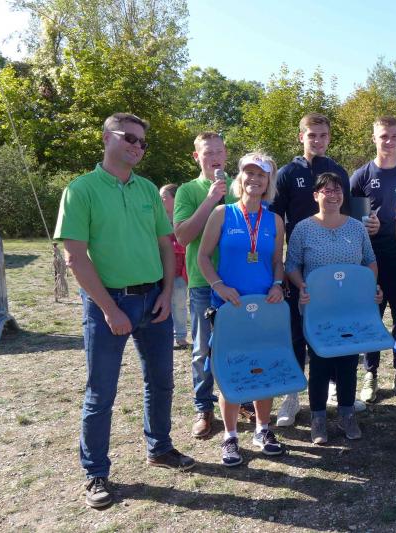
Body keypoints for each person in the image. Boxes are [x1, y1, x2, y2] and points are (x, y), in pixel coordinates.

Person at [55, 113, 195, 509]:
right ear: (106, 138)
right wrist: (108, 308)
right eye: (129, 138)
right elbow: (75, 257)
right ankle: (96, 473)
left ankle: (160, 448)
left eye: (142, 142)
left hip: (153, 299)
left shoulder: (147, 188)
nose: (137, 146)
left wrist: (166, 292)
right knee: (101, 392)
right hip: (108, 303)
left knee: (161, 382)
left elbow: (166, 245)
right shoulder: (81, 190)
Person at [197, 152, 288, 466]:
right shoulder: (222, 213)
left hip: (264, 305)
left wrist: (278, 284)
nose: (255, 179)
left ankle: (263, 429)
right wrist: (218, 285)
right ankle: (231, 435)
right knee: (231, 369)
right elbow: (203, 257)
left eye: (261, 175)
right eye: (249, 173)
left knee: (264, 366)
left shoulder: (275, 220)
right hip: (229, 306)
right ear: (240, 177)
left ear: (268, 182)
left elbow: (277, 261)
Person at [270, 113, 355, 427]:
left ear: (329, 138)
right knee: (297, 333)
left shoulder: (338, 171)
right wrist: (279, 265)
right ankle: (292, 395)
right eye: (311, 135)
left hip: (333, 267)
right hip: (299, 267)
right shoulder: (287, 173)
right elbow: (275, 220)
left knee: (333, 328)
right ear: (301, 137)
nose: (317, 141)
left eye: (323, 135)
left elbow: (348, 215)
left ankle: (333, 388)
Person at [285, 173, 381, 445]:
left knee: (348, 360)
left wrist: (370, 287)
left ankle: (346, 414)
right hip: (317, 309)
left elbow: (370, 261)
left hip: (350, 307)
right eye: (326, 190)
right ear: (316, 195)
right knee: (320, 362)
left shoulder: (356, 227)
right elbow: (291, 264)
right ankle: (318, 418)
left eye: (337, 190)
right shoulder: (303, 228)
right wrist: (301, 285)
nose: (333, 195)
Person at [350, 116, 396, 403]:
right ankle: (371, 374)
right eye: (383, 136)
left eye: (393, 136)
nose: (388, 141)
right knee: (372, 318)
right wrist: (364, 225)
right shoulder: (361, 176)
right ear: (374, 138)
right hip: (372, 260)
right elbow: (350, 220)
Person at [174, 132, 237, 438]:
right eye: (208, 153)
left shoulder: (238, 187)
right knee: (202, 348)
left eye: (219, 152)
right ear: (196, 156)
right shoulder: (188, 191)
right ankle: (204, 407)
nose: (215, 158)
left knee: (237, 343)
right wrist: (211, 199)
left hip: (238, 280)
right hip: (203, 282)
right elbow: (183, 236)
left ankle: (238, 398)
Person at [159, 184, 189, 349]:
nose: (160, 200)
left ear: (175, 198)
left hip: (179, 270)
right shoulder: (156, 218)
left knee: (179, 303)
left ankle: (180, 336)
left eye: (164, 197)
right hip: (159, 270)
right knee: (161, 303)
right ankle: (165, 337)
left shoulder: (183, 218)